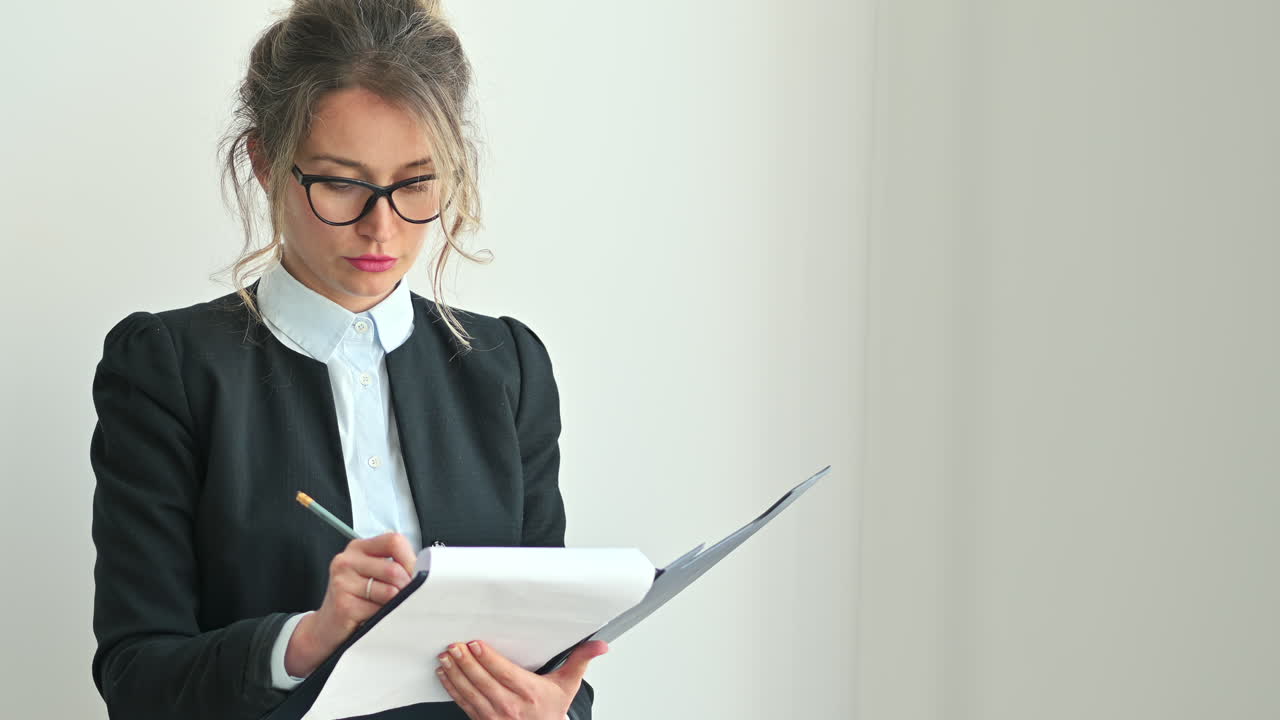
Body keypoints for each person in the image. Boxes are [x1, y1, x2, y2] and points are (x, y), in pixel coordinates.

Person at [88, 1, 604, 718]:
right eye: (341, 183)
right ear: (266, 163)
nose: (381, 226)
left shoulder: (507, 367)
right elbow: (137, 679)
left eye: (416, 183)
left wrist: (554, 710)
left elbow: (555, 657)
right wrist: (305, 640)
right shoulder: (168, 368)